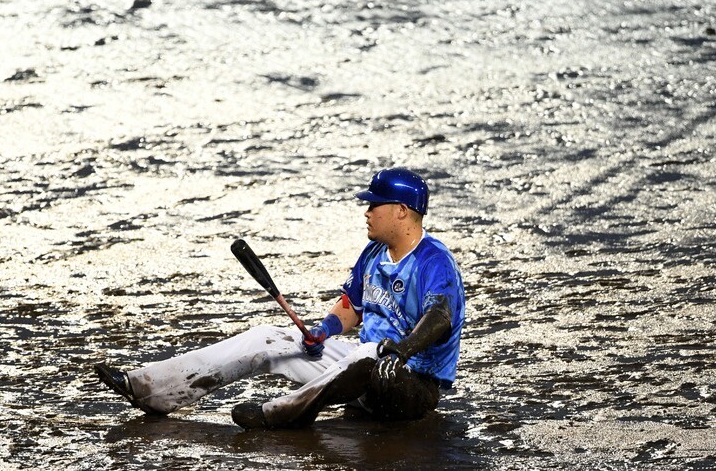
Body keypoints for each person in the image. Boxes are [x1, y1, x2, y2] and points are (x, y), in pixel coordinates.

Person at [94, 168, 465, 429]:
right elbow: (352, 306)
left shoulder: (434, 260)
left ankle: (279, 414)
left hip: (409, 386)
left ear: (401, 211)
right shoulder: (374, 253)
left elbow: (440, 316)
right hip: (360, 377)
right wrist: (324, 330)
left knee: (370, 353)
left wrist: (401, 351)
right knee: (269, 338)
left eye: (374, 205)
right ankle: (150, 390)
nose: (367, 212)